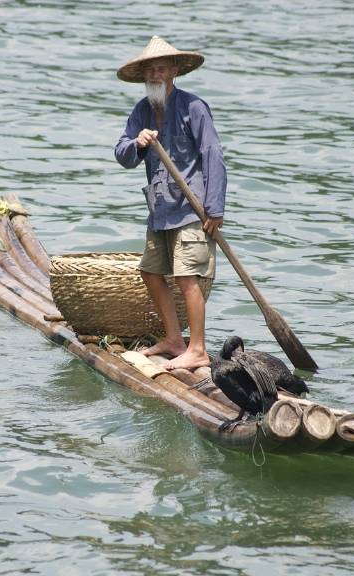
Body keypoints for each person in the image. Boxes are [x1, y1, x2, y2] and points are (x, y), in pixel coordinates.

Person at [114, 36, 227, 371]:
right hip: (160, 210)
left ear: (174, 71)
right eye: (150, 70)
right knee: (150, 272)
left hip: (192, 209)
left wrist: (215, 209)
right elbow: (122, 154)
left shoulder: (194, 107)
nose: (155, 75)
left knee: (187, 276)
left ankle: (198, 349)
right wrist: (139, 142)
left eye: (161, 68)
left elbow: (213, 157)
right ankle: (174, 340)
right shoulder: (142, 111)